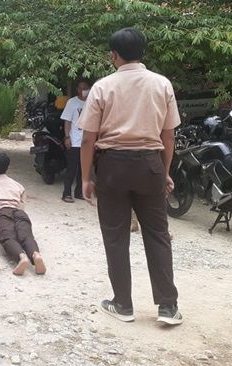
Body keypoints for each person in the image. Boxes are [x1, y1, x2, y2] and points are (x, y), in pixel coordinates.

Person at [78, 27, 182, 325]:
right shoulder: (162, 84)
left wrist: (86, 178)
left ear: (114, 55)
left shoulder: (103, 87)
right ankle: (167, 307)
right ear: (143, 52)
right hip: (150, 164)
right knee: (158, 235)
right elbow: (169, 135)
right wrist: (165, 171)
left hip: (112, 167)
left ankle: (123, 304)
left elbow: (88, 139)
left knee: (116, 236)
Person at [0, 153, 46, 276]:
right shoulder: (18, 185)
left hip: (0, 213)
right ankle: (36, 255)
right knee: (26, 236)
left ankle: (21, 257)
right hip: (19, 212)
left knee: (8, 237)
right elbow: (21, 207)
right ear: (7, 167)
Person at [60, 79, 91, 203]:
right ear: (77, 89)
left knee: (84, 170)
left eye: (85, 88)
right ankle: (66, 193)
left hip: (87, 142)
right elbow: (67, 121)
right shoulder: (72, 103)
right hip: (75, 141)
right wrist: (67, 137)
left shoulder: (91, 103)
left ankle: (79, 192)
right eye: (80, 88)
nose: (83, 90)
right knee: (72, 169)